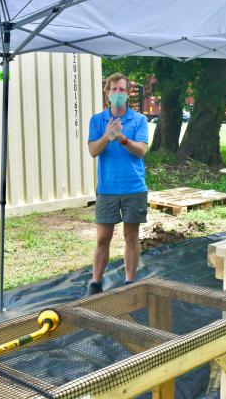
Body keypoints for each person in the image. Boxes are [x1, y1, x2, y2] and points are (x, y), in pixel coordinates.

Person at [87, 72, 149, 295]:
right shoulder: (97, 120)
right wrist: (107, 136)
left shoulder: (139, 120)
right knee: (103, 239)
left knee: (131, 237)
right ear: (107, 93)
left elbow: (141, 151)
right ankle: (95, 283)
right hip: (107, 189)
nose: (118, 93)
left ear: (128, 93)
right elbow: (93, 151)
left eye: (122, 90)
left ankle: (130, 282)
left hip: (134, 188)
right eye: (114, 89)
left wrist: (122, 138)